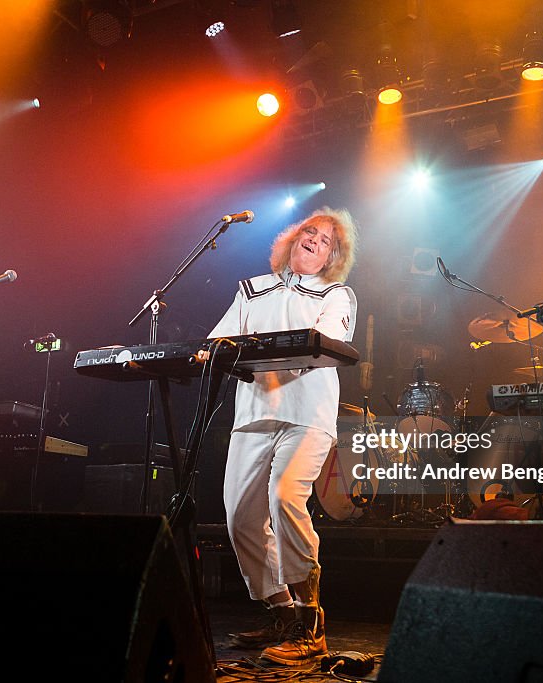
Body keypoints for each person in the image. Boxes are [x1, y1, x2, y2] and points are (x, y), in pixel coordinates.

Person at [206, 207, 358, 664]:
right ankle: (282, 611)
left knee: (285, 496)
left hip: (306, 415)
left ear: (333, 256)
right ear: (292, 239)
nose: (314, 240)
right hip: (254, 414)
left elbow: (322, 346)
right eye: (309, 231)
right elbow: (220, 344)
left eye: (325, 239)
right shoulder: (252, 289)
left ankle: (311, 623)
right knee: (239, 519)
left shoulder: (336, 294)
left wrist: (260, 351)